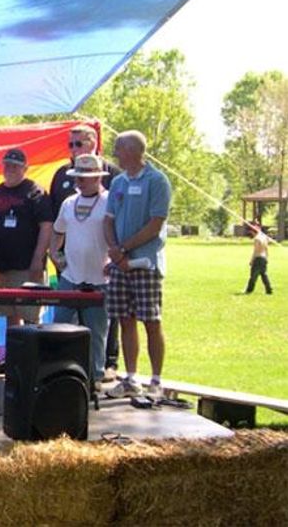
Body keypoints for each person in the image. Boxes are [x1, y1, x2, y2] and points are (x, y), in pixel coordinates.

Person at [49, 124, 123, 383]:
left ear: (98, 177)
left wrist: (115, 260)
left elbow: (120, 236)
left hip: (101, 278)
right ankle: (56, 375)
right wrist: (53, 253)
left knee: (97, 332)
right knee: (58, 327)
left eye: (83, 177)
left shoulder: (110, 201)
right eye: (76, 176)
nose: (78, 181)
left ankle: (94, 379)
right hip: (70, 275)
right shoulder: (69, 202)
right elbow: (57, 230)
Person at [103, 130, 172, 401]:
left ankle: (156, 380)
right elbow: (107, 220)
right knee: (125, 319)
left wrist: (123, 249)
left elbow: (156, 225)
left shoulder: (157, 181)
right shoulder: (118, 182)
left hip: (145, 263)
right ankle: (131, 378)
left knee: (151, 321)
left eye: (118, 148)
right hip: (121, 264)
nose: (115, 153)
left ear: (132, 150)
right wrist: (115, 252)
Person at [0, 148, 52, 326]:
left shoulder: (35, 191)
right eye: (7, 165)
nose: (10, 169)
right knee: (9, 313)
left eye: (15, 166)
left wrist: (38, 258)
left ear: (25, 168)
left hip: (26, 265)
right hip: (0, 265)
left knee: (31, 314)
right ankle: (16, 353)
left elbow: (46, 226)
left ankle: (34, 353)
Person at [245, 223, 273, 294]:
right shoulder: (264, 238)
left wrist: (251, 260)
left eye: (251, 232)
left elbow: (256, 251)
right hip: (263, 258)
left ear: (253, 232)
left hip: (258, 259)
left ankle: (249, 290)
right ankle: (269, 289)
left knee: (253, 276)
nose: (250, 233)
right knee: (264, 275)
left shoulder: (257, 239)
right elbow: (266, 249)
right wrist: (267, 258)